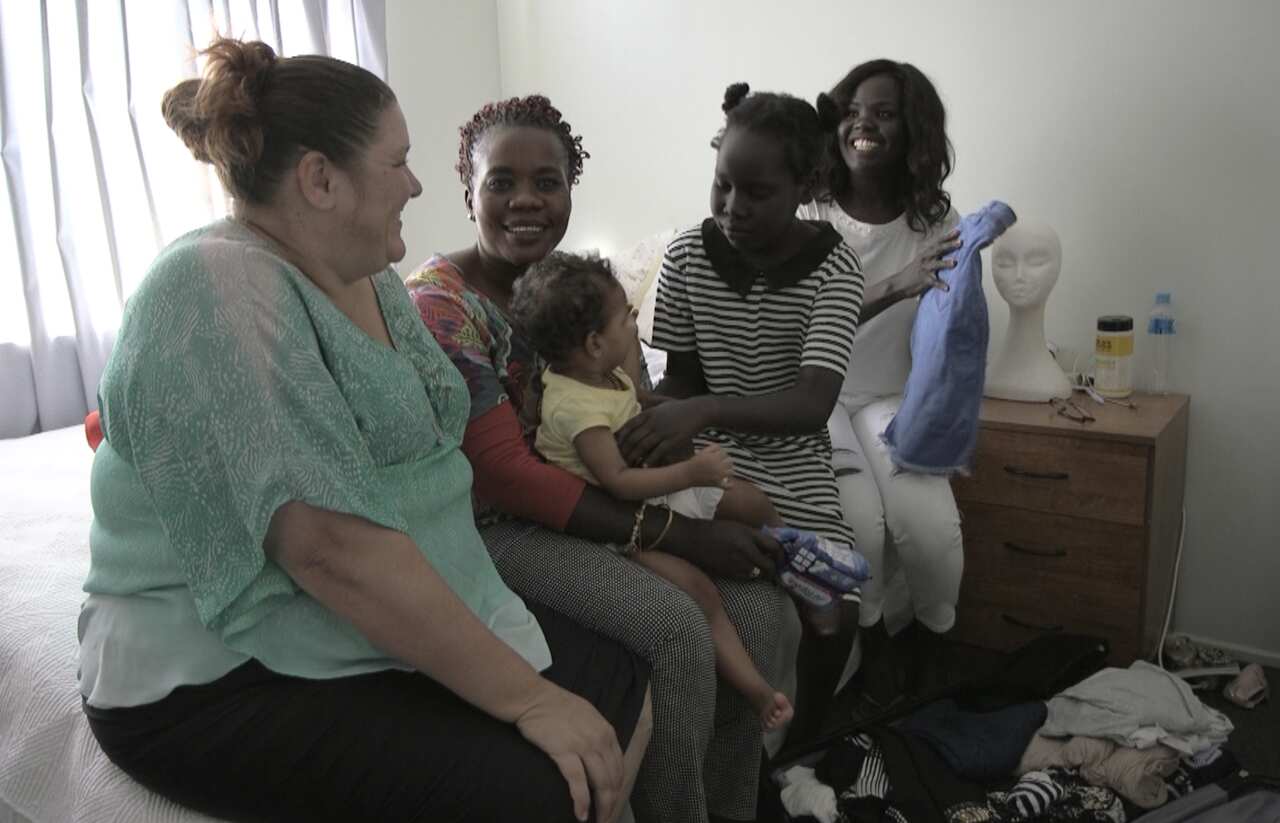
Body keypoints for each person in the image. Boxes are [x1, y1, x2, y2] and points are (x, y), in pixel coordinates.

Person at [78, 39, 650, 823]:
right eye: (399, 161)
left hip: (354, 599)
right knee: (541, 787)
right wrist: (528, 700)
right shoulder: (216, 287)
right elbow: (326, 546)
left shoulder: (369, 273)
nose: (416, 184)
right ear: (320, 179)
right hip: (214, 671)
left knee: (625, 685)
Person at [406, 94, 796, 823]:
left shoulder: (579, 286)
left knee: (763, 610)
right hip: (504, 528)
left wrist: (694, 464)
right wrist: (679, 531)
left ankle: (733, 804)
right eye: (502, 182)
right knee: (679, 630)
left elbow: (636, 402)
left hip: (608, 497)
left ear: (568, 192)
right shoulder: (440, 307)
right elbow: (505, 476)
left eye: (547, 182)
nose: (526, 199)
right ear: (469, 192)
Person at [618, 83, 866, 744]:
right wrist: (646, 410)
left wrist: (696, 409)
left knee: (837, 605)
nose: (733, 207)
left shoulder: (834, 269)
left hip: (790, 452)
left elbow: (812, 405)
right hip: (707, 447)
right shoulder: (687, 255)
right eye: (723, 184)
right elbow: (685, 378)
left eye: (757, 193)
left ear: (806, 184)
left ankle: (810, 739)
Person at [510, 250, 795, 731]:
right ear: (596, 343)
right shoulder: (576, 411)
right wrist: (693, 473)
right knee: (700, 593)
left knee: (753, 500)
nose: (635, 318)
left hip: (653, 486)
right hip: (618, 522)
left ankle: (795, 553)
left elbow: (632, 397)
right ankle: (760, 694)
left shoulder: (598, 370)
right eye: (626, 314)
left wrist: (674, 411)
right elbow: (619, 484)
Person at [798, 58, 965, 710]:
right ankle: (873, 641)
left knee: (930, 525)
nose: (863, 122)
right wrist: (900, 282)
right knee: (861, 523)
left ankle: (934, 639)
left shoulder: (935, 221)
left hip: (893, 395)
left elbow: (951, 325)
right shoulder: (808, 210)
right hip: (818, 392)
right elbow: (811, 314)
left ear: (913, 132)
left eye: (884, 112)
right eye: (852, 109)